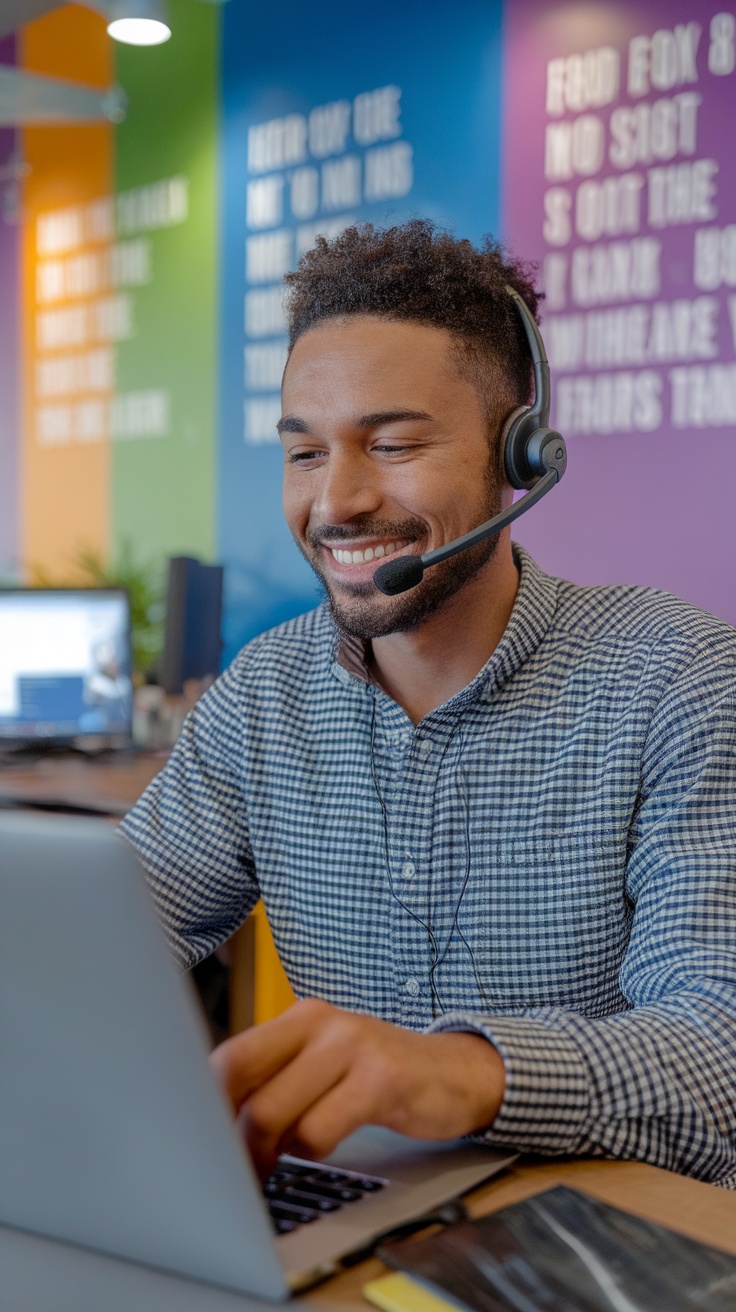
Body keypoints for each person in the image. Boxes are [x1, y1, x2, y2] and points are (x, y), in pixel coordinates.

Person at [120, 220, 736, 1188]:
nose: (338, 502)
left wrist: (461, 1073)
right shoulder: (264, 697)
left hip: (608, 1248)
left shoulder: (679, 682)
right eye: (305, 454)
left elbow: (721, 1058)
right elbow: (110, 930)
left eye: (394, 442)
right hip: (353, 1224)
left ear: (516, 458)